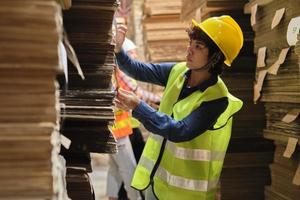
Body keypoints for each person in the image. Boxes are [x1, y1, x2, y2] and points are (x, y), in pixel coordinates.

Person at [113, 15, 244, 200]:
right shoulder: (178, 71)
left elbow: (180, 131)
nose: (189, 49)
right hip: (158, 182)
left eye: (198, 46)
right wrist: (118, 51)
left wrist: (137, 106)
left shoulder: (217, 99)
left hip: (188, 194)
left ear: (216, 57)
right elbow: (138, 70)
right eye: (191, 42)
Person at [107, 37, 160, 200]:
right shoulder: (119, 70)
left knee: (115, 169)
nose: (135, 58)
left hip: (116, 129)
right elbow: (136, 92)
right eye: (132, 54)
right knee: (129, 169)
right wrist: (157, 99)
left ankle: (111, 197)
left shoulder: (113, 70)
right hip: (118, 130)